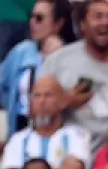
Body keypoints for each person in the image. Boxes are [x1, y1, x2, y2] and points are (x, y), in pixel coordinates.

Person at [39, 0, 108, 149]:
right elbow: (38, 114)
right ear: (82, 25)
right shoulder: (57, 61)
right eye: (98, 17)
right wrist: (66, 101)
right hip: (69, 151)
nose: (105, 22)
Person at [1, 77, 89, 169]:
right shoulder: (17, 140)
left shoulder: (76, 135)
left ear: (62, 102)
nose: (42, 101)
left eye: (48, 96)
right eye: (37, 96)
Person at [0, 0, 72, 138]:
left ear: (58, 23)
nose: (32, 22)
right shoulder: (22, 51)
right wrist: (10, 105)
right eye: (31, 17)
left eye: (39, 18)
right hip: (20, 124)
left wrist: (55, 57)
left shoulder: (68, 55)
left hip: (55, 129)